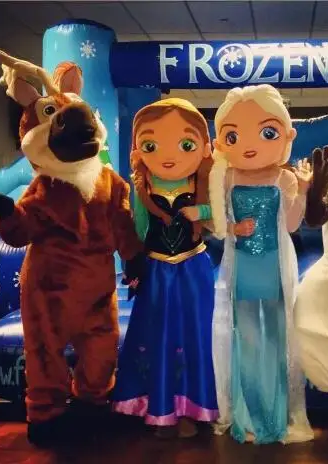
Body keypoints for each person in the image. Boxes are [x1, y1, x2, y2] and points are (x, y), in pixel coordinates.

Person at [209, 84, 314, 444]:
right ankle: (246, 416)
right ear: (222, 141)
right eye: (233, 136)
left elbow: (293, 225)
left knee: (275, 339)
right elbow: (216, 223)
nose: (250, 144)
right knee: (246, 339)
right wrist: (233, 229)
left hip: (275, 265)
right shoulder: (227, 177)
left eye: (267, 133)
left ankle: (274, 415)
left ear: (286, 135)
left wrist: (303, 190)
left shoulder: (284, 177)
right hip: (241, 267)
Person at [112, 98, 218, 439]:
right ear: (138, 149)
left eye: (185, 144)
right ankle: (158, 406)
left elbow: (220, 219)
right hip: (157, 270)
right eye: (151, 145)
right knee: (156, 335)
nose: (169, 155)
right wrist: (133, 264)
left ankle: (193, 407)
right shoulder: (143, 187)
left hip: (193, 269)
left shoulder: (203, 183)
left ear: (204, 147)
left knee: (195, 333)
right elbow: (140, 231)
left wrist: (201, 213)